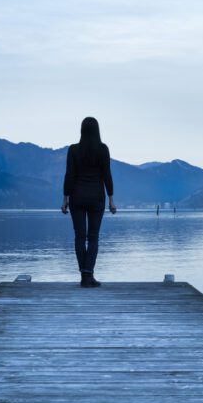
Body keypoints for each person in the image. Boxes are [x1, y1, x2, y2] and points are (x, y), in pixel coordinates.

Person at [61, 117, 116, 287]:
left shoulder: (74, 150)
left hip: (77, 197)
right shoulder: (103, 149)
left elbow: (69, 175)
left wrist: (65, 199)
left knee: (79, 236)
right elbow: (107, 175)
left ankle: (84, 276)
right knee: (93, 238)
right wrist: (111, 200)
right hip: (96, 198)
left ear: (81, 130)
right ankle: (88, 276)